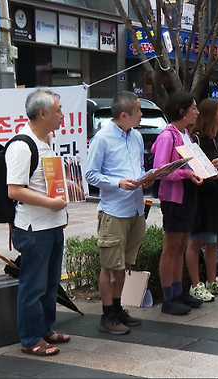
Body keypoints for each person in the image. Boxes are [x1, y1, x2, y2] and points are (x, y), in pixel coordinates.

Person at [6, 89, 69, 356]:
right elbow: (15, 190)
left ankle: (44, 329)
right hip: (34, 228)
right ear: (43, 113)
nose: (61, 115)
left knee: (50, 282)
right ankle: (30, 338)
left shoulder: (46, 140)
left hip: (52, 224)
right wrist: (50, 204)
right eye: (58, 110)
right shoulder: (22, 145)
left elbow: (47, 183)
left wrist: (62, 203)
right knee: (33, 285)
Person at [85, 91, 150, 335]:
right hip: (114, 211)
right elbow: (90, 175)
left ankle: (118, 308)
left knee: (122, 265)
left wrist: (147, 177)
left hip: (135, 208)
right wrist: (117, 183)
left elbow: (140, 167)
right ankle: (107, 314)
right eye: (138, 111)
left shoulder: (137, 137)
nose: (141, 115)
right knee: (109, 266)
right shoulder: (102, 138)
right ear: (124, 115)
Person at [151, 92, 204, 315]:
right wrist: (185, 174)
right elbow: (161, 170)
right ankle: (168, 297)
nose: (197, 111)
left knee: (180, 247)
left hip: (187, 195)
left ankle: (177, 291)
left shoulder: (185, 134)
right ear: (181, 111)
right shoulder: (167, 136)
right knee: (171, 248)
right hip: (174, 198)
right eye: (193, 107)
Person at [185, 98, 218, 301]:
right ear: (210, 115)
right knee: (197, 242)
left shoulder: (217, 138)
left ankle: (212, 280)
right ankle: (195, 284)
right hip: (203, 198)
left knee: (214, 241)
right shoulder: (196, 139)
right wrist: (211, 166)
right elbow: (193, 168)